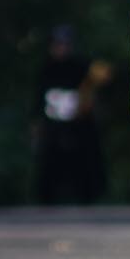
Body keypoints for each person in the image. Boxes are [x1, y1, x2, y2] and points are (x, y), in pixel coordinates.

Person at [37, 25, 110, 206]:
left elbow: (103, 74)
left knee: (84, 161)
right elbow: (37, 99)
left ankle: (88, 197)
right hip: (53, 126)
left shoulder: (81, 66)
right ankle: (48, 199)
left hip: (80, 124)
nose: (61, 48)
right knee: (51, 164)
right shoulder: (46, 69)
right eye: (58, 44)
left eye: (65, 44)